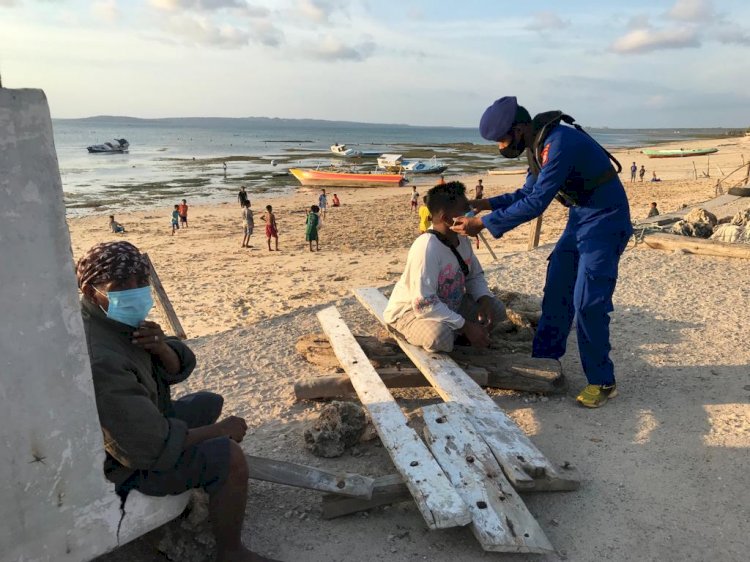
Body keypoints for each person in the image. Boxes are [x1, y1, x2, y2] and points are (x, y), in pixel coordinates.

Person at [76, 241, 278, 562]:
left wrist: (162, 348)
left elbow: (176, 365)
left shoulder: (113, 321)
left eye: (140, 282)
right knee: (229, 455)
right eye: (121, 286)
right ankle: (231, 552)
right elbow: (147, 446)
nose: (135, 291)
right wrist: (219, 432)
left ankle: (205, 478)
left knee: (208, 402)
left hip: (141, 426)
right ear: (90, 291)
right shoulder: (100, 355)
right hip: (121, 469)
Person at [452, 96, 633, 408]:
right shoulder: (538, 146)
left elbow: (536, 204)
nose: (501, 147)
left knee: (588, 301)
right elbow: (526, 192)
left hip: (605, 219)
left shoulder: (559, 143)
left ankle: (603, 381)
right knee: (557, 290)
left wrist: (483, 224)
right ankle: (545, 361)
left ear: (520, 128)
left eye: (503, 139)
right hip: (580, 217)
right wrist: (484, 204)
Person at [384, 181, 506, 353]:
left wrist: (483, 300)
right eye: (465, 210)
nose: (471, 215)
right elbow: (424, 304)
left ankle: (461, 334)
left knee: (496, 310)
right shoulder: (427, 247)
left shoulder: (461, 239)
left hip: (448, 304)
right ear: (446, 219)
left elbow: (474, 276)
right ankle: (419, 333)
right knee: (440, 336)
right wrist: (466, 326)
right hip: (411, 311)